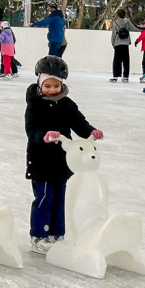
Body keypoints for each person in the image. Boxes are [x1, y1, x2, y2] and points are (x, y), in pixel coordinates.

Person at [24, 55, 102, 254]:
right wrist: (44, 136)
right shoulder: (35, 105)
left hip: (63, 161)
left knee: (61, 198)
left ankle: (57, 233)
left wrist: (90, 132)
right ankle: (39, 235)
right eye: (47, 86)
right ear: (40, 83)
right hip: (41, 160)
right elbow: (31, 130)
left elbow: (79, 123)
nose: (52, 90)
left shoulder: (67, 104)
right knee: (44, 198)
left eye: (56, 86)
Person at [110, 9, 140, 82]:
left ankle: (115, 76)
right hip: (125, 43)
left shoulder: (116, 22)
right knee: (126, 60)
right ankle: (125, 76)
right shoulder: (127, 21)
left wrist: (113, 43)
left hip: (118, 43)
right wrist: (144, 29)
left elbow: (113, 34)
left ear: (118, 14)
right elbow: (134, 28)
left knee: (117, 60)